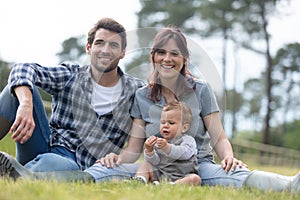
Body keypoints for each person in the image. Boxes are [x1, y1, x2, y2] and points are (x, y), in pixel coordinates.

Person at [95, 25, 299, 192]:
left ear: (184, 58)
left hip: (196, 166)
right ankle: (76, 176)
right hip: (156, 167)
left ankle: (290, 185)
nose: (167, 59)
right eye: (162, 53)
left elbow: (218, 137)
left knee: (236, 174)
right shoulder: (142, 95)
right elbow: (134, 147)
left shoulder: (201, 90)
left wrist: (228, 156)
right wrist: (118, 158)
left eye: (175, 54)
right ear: (153, 56)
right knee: (108, 169)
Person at [0, 17, 144, 179]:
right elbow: (23, 68)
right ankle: (20, 173)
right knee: (17, 90)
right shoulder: (71, 75)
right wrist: (26, 104)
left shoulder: (135, 91)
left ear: (123, 52)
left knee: (52, 162)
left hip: (76, 165)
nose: (105, 50)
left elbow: (159, 109)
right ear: (89, 48)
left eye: (114, 45)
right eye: (100, 43)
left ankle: (18, 174)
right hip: (42, 144)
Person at [132, 101, 200, 185]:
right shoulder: (160, 142)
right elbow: (155, 161)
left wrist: (167, 148)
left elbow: (184, 154)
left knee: (195, 179)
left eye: (171, 123)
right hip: (162, 174)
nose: (165, 126)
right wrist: (149, 151)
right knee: (146, 165)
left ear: (184, 127)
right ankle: (140, 180)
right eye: (163, 122)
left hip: (183, 176)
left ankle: (174, 185)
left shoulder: (188, 140)